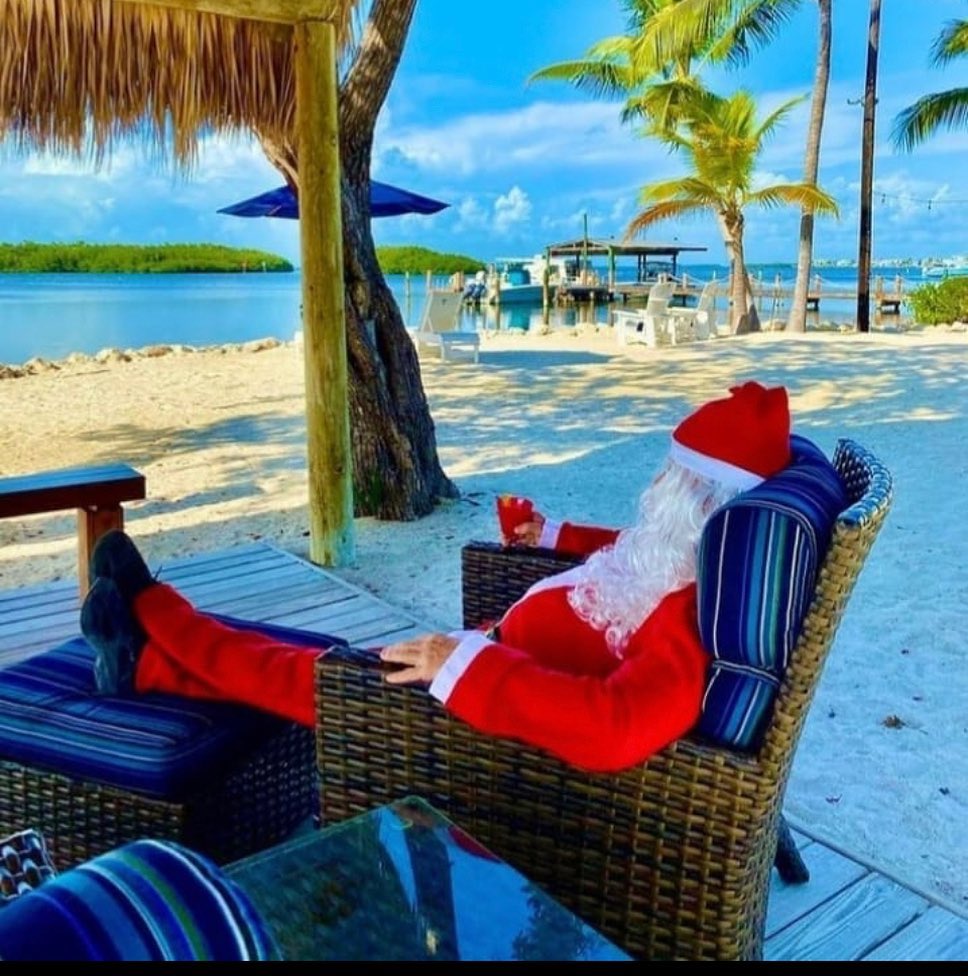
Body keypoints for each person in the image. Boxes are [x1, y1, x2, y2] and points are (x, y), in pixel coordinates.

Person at [80, 381, 793, 773]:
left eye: (672, 476)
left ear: (698, 502)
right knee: (312, 658)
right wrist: (554, 536)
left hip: (468, 705)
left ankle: (154, 610)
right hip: (471, 655)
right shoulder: (686, 561)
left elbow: (617, 730)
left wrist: (467, 667)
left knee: (297, 672)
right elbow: (635, 546)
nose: (657, 485)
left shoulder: (685, 626)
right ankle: (147, 668)